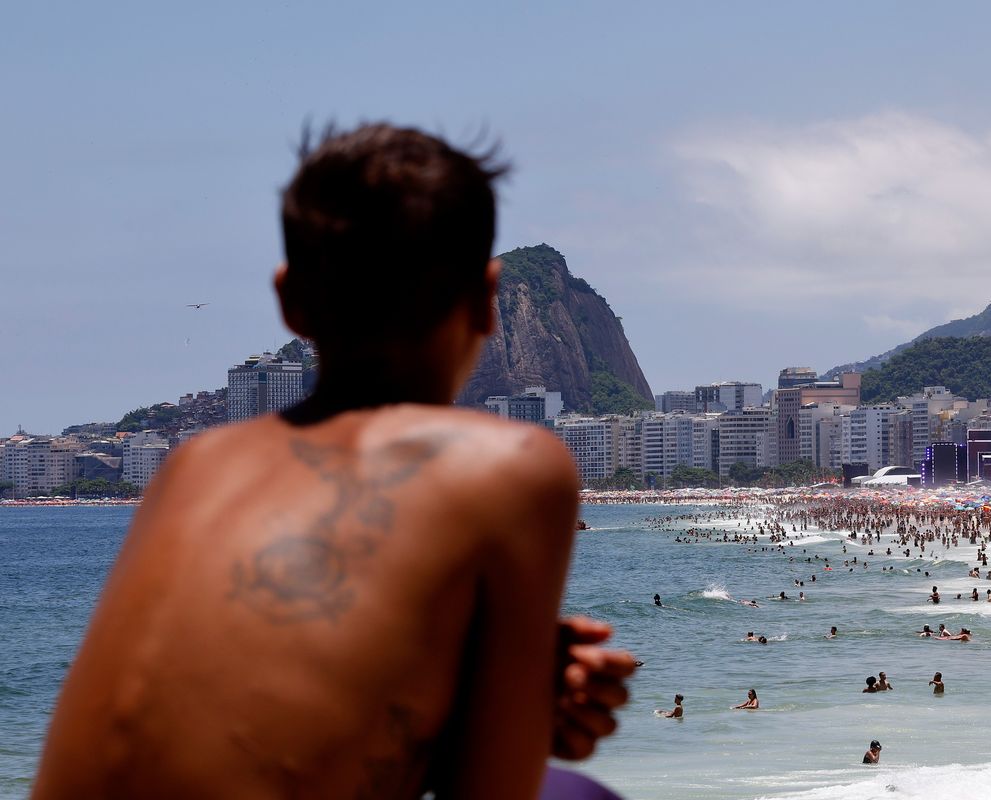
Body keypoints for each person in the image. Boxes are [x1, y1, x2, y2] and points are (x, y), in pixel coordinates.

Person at [32, 124, 634, 799]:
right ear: (485, 298)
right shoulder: (511, 465)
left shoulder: (193, 466)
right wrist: (515, 706)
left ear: (289, 299)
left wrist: (481, 689)